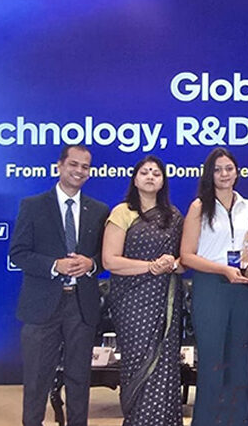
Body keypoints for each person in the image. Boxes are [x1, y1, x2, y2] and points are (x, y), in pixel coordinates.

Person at [10, 145, 109, 426]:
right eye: (73, 164)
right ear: (59, 166)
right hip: (42, 306)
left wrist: (91, 264)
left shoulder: (99, 210)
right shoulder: (33, 206)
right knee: (36, 379)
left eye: (85, 167)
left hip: (81, 305)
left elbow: (105, 257)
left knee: (79, 379)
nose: (79, 171)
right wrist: (55, 265)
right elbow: (18, 254)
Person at [180, 147, 248, 426]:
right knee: (212, 364)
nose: (224, 174)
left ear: (236, 172)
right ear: (210, 174)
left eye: (228, 168)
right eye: (217, 169)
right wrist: (223, 270)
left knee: (239, 363)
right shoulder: (199, 207)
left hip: (241, 288)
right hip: (210, 287)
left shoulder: (247, 206)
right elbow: (186, 256)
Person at [101, 156, 185, 426]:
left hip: (166, 300)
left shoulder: (174, 217)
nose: (150, 177)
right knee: (138, 363)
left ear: (163, 181)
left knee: (165, 366)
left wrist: (171, 264)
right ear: (135, 179)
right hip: (132, 301)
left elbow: (185, 259)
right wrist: (150, 267)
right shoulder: (122, 212)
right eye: (145, 172)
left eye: (156, 173)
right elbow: (109, 261)